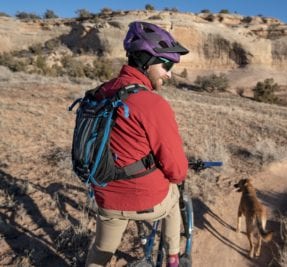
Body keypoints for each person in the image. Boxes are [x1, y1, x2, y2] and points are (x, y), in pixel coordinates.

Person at [85, 21, 189, 267]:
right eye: (167, 64)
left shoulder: (99, 92)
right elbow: (176, 169)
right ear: (147, 61)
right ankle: (173, 258)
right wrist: (178, 173)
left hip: (105, 194)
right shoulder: (152, 104)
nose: (169, 73)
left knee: (101, 249)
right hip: (146, 199)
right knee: (174, 193)